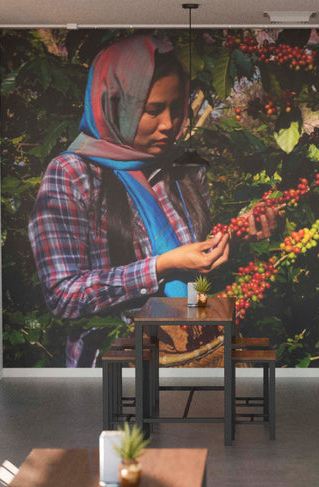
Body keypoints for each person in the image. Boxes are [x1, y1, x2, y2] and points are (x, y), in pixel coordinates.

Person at [28, 34, 275, 367]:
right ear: (115, 105)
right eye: (153, 110)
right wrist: (162, 266)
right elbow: (63, 296)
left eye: (176, 107)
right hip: (119, 367)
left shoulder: (185, 168)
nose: (169, 124)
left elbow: (195, 264)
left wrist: (236, 239)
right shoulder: (73, 173)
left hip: (196, 351)